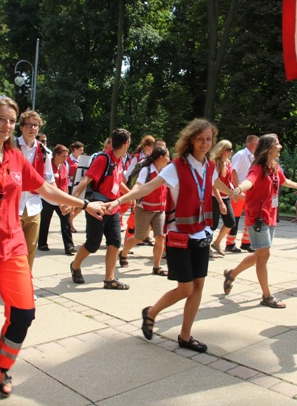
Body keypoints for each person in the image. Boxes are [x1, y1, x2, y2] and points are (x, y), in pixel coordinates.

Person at [0, 95, 105, 406]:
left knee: (24, 314)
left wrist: (84, 204)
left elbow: (45, 189)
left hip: (12, 248)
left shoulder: (16, 157)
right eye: (1, 119)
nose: (7, 126)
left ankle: (1, 367)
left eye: (11, 120)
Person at [107, 118, 237, 353]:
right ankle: (151, 312)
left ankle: (185, 336)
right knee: (185, 289)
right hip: (180, 236)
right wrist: (118, 200)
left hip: (201, 233)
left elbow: (215, 182)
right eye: (200, 139)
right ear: (191, 140)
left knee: (199, 286)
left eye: (209, 139)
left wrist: (233, 192)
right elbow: (147, 187)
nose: (205, 143)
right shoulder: (176, 167)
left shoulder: (208, 166)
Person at [222, 134, 297, 308]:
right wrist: (238, 189)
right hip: (258, 218)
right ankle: (267, 296)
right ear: (268, 148)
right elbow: (249, 182)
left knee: (259, 254)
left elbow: (284, 180)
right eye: (277, 144)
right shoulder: (257, 168)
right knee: (264, 256)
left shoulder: (274, 167)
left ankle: (231, 274)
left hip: (270, 216)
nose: (280, 147)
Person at [69, 129, 132, 290]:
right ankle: (75, 266)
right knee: (93, 244)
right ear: (126, 144)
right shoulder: (104, 159)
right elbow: (86, 179)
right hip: (97, 207)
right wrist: (73, 199)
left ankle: (109, 279)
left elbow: (118, 182)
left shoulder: (117, 160)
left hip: (113, 208)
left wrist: (132, 195)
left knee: (115, 242)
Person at [117, 146, 170, 275]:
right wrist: (131, 196)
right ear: (161, 158)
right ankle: (123, 253)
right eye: (168, 156)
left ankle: (156, 267)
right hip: (144, 209)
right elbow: (138, 185)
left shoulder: (166, 171)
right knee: (139, 237)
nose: (169, 159)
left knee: (160, 237)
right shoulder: (146, 171)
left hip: (160, 210)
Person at [17, 110, 55, 272]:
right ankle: (9, 284)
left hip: (33, 205)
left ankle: (26, 283)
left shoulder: (45, 153)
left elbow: (50, 181)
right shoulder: (11, 147)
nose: (33, 128)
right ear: (21, 127)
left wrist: (62, 202)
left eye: (36, 125)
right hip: (13, 204)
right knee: (12, 248)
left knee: (31, 248)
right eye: (29, 125)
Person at [38, 144, 76, 255]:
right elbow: (48, 183)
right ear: (56, 155)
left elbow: (66, 184)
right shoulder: (48, 165)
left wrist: (67, 200)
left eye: (67, 156)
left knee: (66, 222)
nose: (66, 158)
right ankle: (42, 243)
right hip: (47, 198)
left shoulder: (65, 165)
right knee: (45, 221)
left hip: (61, 199)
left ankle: (69, 246)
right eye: (63, 156)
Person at [227, 135, 259, 253]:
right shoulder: (241, 155)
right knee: (235, 217)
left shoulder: (253, 156)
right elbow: (233, 171)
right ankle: (229, 243)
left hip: (249, 189)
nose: (258, 146)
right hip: (240, 188)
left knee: (250, 216)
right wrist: (236, 189)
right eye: (257, 144)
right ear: (250, 144)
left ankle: (246, 242)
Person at [209, 140, 235, 256]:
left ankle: (217, 243)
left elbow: (228, 181)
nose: (231, 151)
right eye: (229, 149)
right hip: (214, 197)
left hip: (225, 196)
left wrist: (233, 192)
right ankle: (206, 247)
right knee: (212, 224)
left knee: (230, 221)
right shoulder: (214, 163)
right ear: (222, 150)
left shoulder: (228, 162)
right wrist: (220, 202)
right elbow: (213, 184)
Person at [67, 141, 85, 232]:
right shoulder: (68, 160)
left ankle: (69, 220)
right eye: (80, 150)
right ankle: (70, 224)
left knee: (80, 205)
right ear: (74, 150)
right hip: (70, 185)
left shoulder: (80, 160)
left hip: (78, 185)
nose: (82, 152)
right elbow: (65, 173)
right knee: (72, 206)